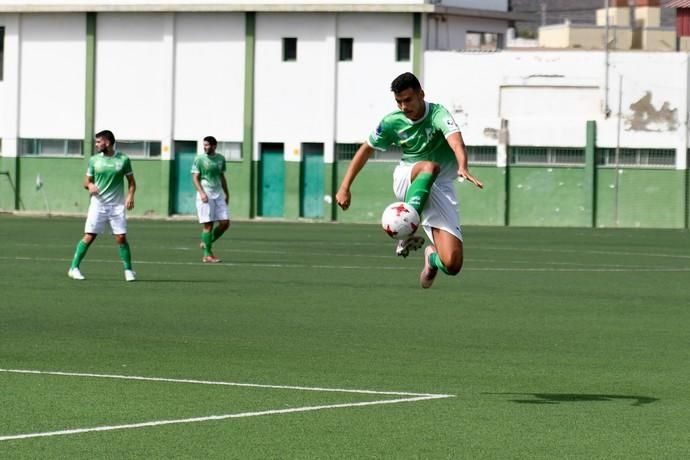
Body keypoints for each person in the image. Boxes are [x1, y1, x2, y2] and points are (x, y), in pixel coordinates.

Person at [336, 72, 483, 289]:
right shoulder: (391, 122)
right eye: (399, 101)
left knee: (452, 264)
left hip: (440, 187)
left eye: (408, 100)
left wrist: (462, 166)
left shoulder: (438, 114)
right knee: (429, 166)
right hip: (408, 176)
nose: (404, 106)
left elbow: (456, 142)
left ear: (421, 94)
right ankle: (407, 229)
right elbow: (366, 150)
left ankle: (431, 257)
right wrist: (344, 187)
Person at [68, 130, 137, 281]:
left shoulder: (123, 159)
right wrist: (90, 185)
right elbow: (86, 182)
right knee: (89, 236)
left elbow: (131, 182)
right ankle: (74, 268)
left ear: (108, 142)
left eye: (99, 142)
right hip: (98, 205)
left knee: (121, 238)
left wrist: (130, 195)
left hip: (117, 206)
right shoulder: (94, 160)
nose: (97, 144)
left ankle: (128, 270)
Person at [192, 136, 230, 263]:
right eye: (204, 145)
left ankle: (206, 241)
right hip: (206, 193)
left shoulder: (221, 159)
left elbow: (222, 176)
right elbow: (195, 178)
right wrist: (201, 192)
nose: (205, 147)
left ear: (214, 146)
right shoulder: (199, 159)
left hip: (218, 194)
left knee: (225, 223)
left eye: (207, 145)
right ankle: (207, 255)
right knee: (208, 225)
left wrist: (227, 193)